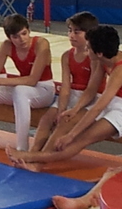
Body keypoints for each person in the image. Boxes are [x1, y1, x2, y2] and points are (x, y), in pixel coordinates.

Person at [6, 25, 122, 171]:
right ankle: (37, 164)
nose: (86, 51)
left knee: (81, 139)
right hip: (113, 102)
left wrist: (71, 135)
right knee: (67, 120)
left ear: (99, 53)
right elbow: (91, 90)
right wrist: (75, 109)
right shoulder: (103, 60)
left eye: (88, 48)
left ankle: (30, 157)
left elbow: (99, 107)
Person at [0, 14, 55, 152]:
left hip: (44, 90)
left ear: (29, 31)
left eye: (24, 34)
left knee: (20, 90)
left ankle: (22, 147)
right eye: (16, 37)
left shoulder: (41, 43)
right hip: (23, 90)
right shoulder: (7, 46)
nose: (22, 39)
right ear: (9, 38)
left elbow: (32, 80)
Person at [29, 11, 103, 155]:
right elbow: (65, 88)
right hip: (73, 95)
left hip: (91, 99)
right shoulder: (67, 56)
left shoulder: (95, 58)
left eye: (77, 32)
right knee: (46, 119)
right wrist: (61, 110)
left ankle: (42, 157)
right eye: (70, 31)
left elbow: (91, 90)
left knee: (65, 122)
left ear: (89, 34)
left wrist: (75, 109)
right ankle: (33, 152)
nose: (71, 36)